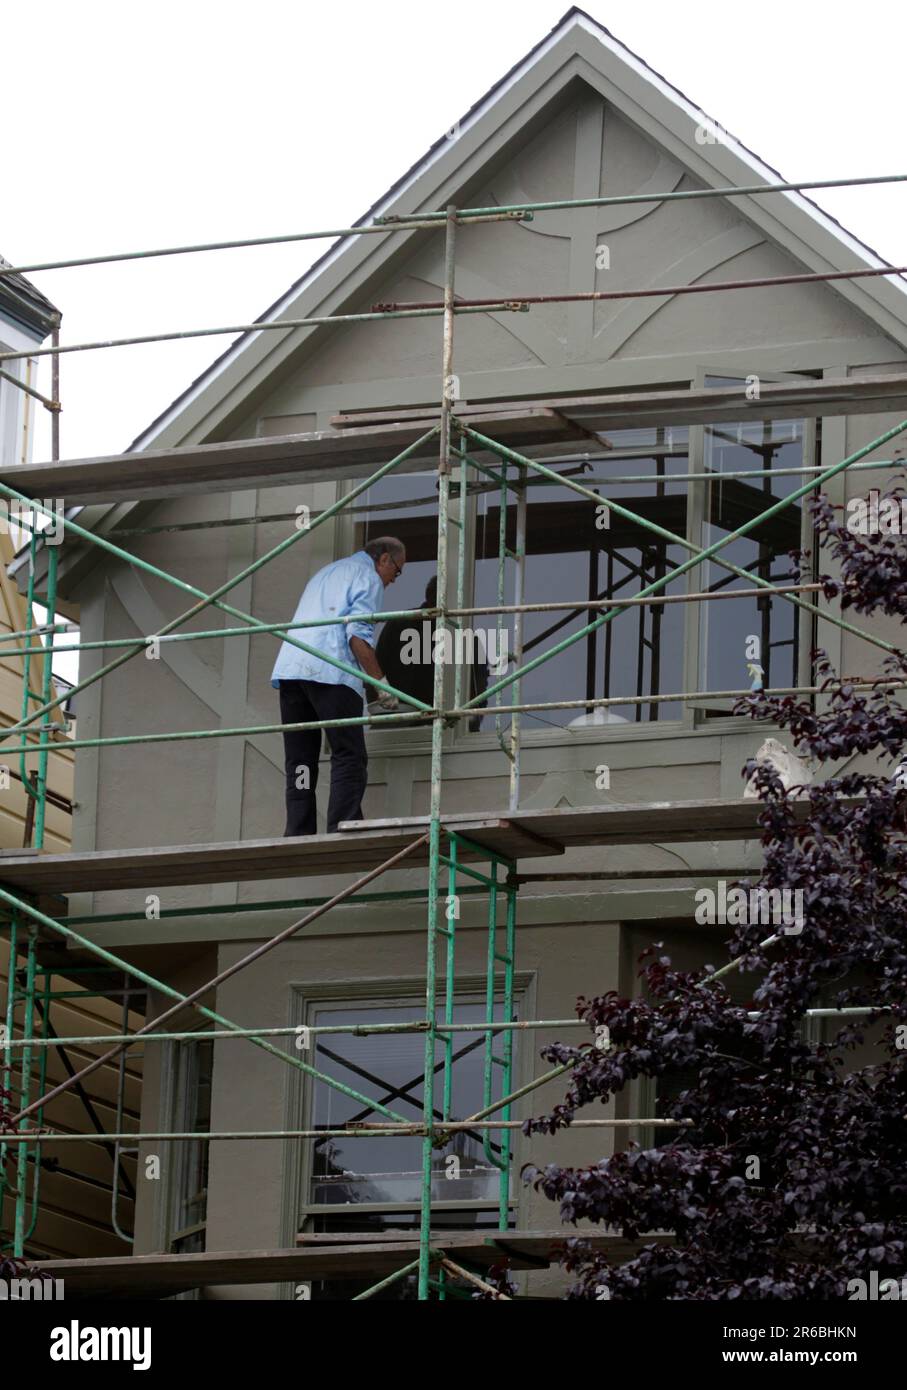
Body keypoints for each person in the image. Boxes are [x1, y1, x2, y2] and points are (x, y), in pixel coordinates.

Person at [271, 536, 405, 835]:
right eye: (397, 572)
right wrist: (381, 685)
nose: (393, 581)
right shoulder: (367, 576)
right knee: (348, 753)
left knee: (301, 759)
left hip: (292, 670)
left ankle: (298, 829)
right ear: (384, 559)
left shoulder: (326, 572)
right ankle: (344, 823)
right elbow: (358, 636)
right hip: (331, 669)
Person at [374, 575, 489, 731]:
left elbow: (478, 692)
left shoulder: (467, 638)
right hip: (400, 727)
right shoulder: (400, 625)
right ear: (429, 596)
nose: (446, 609)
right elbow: (374, 674)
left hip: (448, 732)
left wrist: (468, 728)